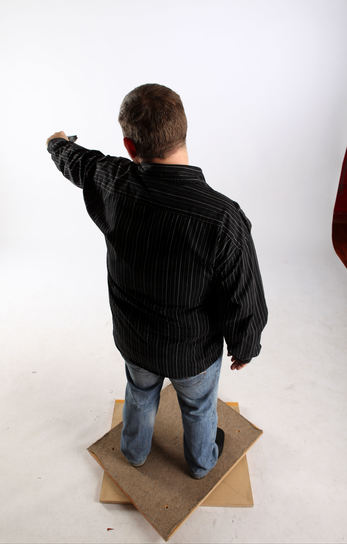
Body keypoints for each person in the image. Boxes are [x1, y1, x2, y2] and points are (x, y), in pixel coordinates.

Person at [46, 83, 268, 479]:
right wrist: (245, 346)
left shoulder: (112, 180)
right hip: (192, 354)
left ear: (130, 146)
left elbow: (76, 161)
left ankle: (133, 453)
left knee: (140, 394)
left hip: (134, 340)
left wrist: (56, 143)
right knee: (199, 408)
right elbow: (244, 298)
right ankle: (201, 464)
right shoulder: (222, 218)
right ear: (183, 131)